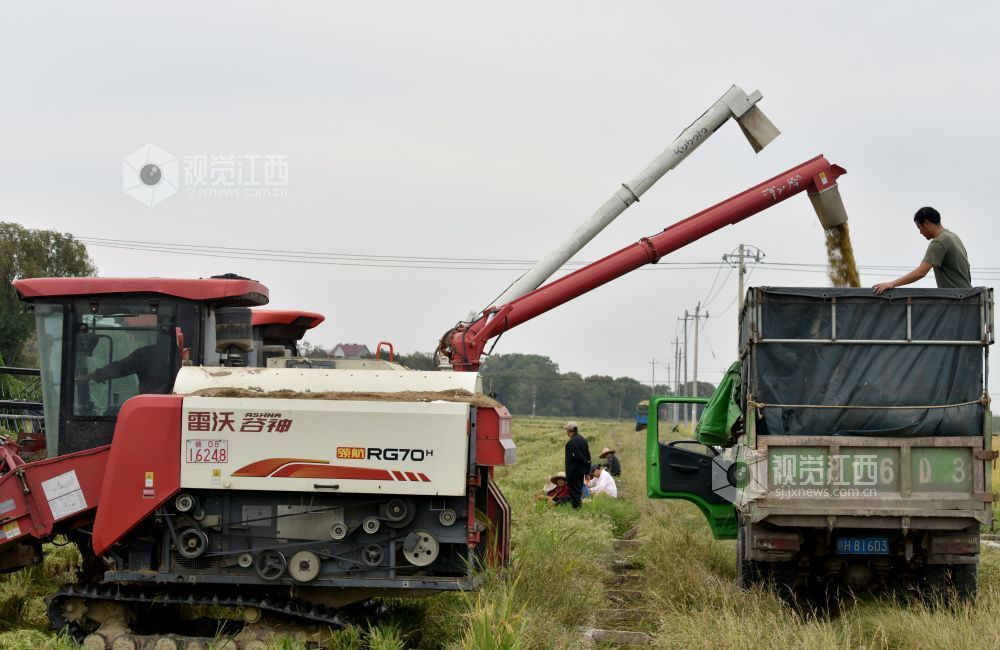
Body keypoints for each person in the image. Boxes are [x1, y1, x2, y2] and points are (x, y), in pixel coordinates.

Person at [872, 207, 971, 294]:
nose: (920, 232)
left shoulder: (939, 242)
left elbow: (921, 272)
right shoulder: (953, 237)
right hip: (967, 296)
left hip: (958, 301)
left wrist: (892, 284)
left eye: (919, 227)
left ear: (927, 223)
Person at [77, 342, 179, 394]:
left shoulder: (147, 354)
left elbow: (121, 368)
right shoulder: (185, 355)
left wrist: (93, 375)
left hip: (150, 405)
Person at [563, 421, 591, 509]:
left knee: (574, 491)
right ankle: (578, 508)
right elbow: (588, 456)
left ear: (568, 431)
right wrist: (587, 472)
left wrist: (568, 476)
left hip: (573, 471)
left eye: (566, 430)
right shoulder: (583, 440)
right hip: (581, 471)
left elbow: (576, 458)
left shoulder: (570, 443)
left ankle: (576, 509)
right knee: (578, 490)